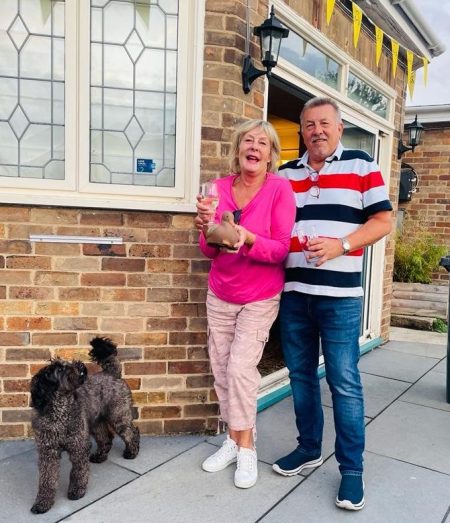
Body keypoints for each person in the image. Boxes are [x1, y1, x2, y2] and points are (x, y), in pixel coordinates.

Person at [272, 97, 393, 511]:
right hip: (294, 295)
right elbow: (269, 227)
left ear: (340, 128)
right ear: (302, 131)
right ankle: (308, 448)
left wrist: (341, 244)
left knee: (344, 382)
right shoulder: (285, 174)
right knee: (300, 378)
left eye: (325, 123)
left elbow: (383, 220)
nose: (316, 131)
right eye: (309, 125)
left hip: (340, 299)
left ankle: (352, 470)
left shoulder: (361, 165)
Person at [195, 119, 296, 489]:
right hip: (221, 292)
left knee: (240, 369)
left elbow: (281, 250)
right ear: (238, 149)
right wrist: (205, 228)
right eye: (248, 141)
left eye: (262, 143)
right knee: (222, 371)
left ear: (270, 154)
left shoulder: (279, 189)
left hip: (259, 295)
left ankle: (248, 447)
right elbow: (210, 250)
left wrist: (250, 238)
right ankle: (232, 440)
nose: (254, 147)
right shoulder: (218, 188)